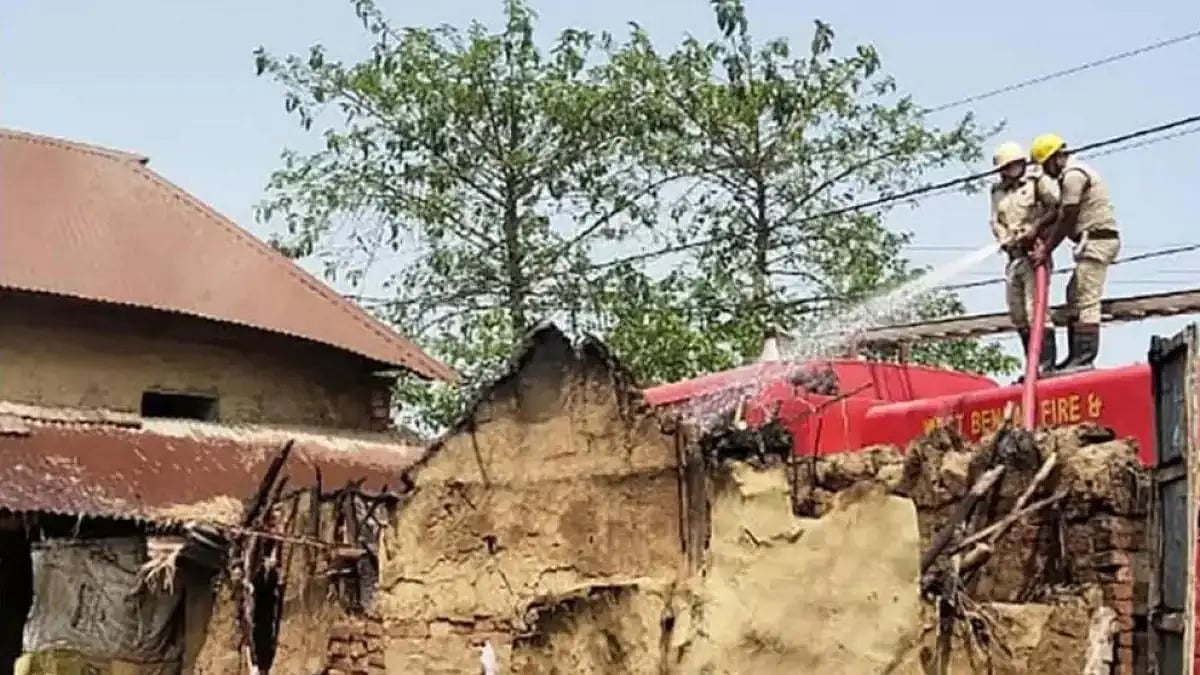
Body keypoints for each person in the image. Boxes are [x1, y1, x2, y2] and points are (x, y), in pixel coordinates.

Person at [1028, 133, 1120, 372]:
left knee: (1085, 297)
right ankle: (1074, 358)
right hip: (1091, 242)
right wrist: (1037, 228)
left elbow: (1067, 215)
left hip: (1096, 242)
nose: (1045, 172)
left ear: (1054, 158)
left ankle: (1084, 358)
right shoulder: (1071, 175)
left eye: (1045, 165)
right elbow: (1059, 212)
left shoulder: (1073, 176)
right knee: (1074, 294)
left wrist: (1046, 249)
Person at [988, 141, 1060, 378]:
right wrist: (1003, 237)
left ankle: (1045, 365)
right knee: (1017, 314)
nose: (1009, 171)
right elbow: (995, 221)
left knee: (1035, 310)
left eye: (1012, 166)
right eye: (1005, 168)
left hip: (1033, 255)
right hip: (1013, 257)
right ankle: (1031, 364)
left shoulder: (1037, 183)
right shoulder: (997, 192)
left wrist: (1034, 229)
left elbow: (1055, 208)